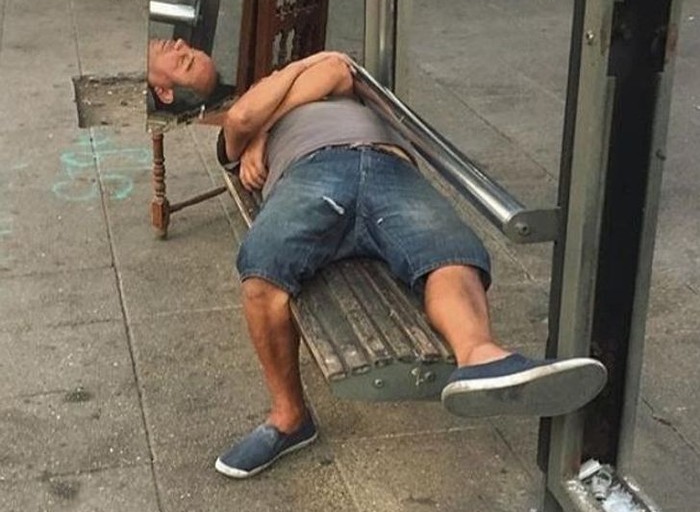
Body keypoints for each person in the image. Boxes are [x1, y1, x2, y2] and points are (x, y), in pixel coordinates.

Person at [147, 43, 608, 480]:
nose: (181, 45)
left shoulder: (280, 109)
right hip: (311, 173)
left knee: (447, 250)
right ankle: (289, 418)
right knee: (262, 270)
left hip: (388, 165)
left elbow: (337, 71)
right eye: (171, 55)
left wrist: (271, 121)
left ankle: (482, 357)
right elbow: (248, 112)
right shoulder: (234, 133)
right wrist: (297, 77)